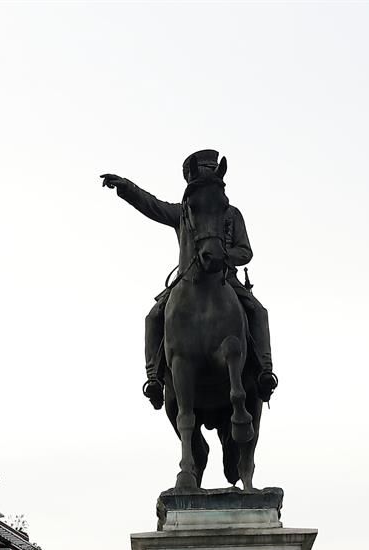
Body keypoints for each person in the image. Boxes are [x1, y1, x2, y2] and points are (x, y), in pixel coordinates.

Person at [101, 150, 277, 410]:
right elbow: (151, 204)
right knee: (153, 316)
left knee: (257, 311)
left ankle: (265, 370)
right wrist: (126, 188)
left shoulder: (231, 214)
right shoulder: (183, 213)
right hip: (188, 279)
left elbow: (245, 251)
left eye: (211, 169)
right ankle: (154, 378)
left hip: (226, 279)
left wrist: (224, 256)